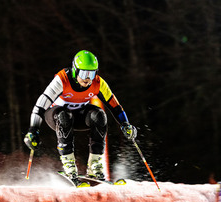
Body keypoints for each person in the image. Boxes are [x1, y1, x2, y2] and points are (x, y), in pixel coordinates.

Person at [24, 50, 137, 183]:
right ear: (75, 71)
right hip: (56, 116)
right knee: (65, 116)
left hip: (79, 116)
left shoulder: (98, 83)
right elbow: (41, 104)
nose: (88, 78)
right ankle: (69, 165)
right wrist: (33, 129)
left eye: (92, 73)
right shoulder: (62, 79)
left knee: (99, 115)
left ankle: (94, 165)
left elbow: (115, 106)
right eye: (84, 73)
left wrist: (125, 124)